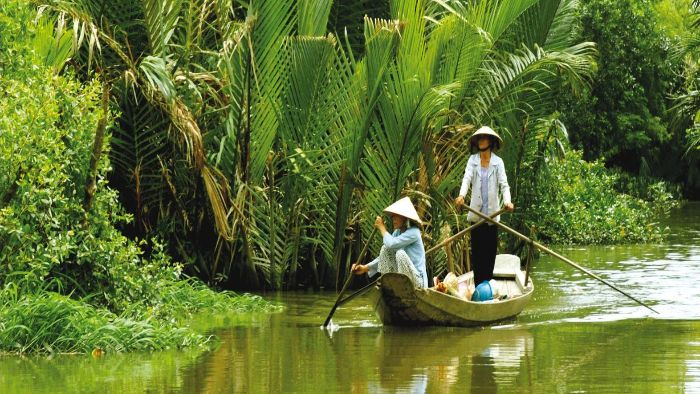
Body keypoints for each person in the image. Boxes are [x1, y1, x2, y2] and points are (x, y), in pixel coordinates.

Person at [454, 125, 514, 294]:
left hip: (492, 215)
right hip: (476, 216)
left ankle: (487, 287)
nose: (481, 141)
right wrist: (461, 195)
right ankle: (479, 289)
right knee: (478, 254)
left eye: (484, 138)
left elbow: (504, 185)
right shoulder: (472, 160)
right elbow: (466, 179)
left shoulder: (498, 162)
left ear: (491, 141)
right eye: (479, 139)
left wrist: (508, 202)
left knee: (489, 254)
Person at [351, 197, 428, 288]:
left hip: (418, 282)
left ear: (404, 218)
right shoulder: (397, 233)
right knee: (385, 248)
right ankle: (387, 284)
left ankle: (399, 286)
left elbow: (392, 244)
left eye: (396, 216)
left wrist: (382, 228)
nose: (393, 219)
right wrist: (365, 268)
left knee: (400, 253)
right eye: (392, 216)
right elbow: (385, 255)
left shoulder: (414, 232)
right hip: (403, 280)